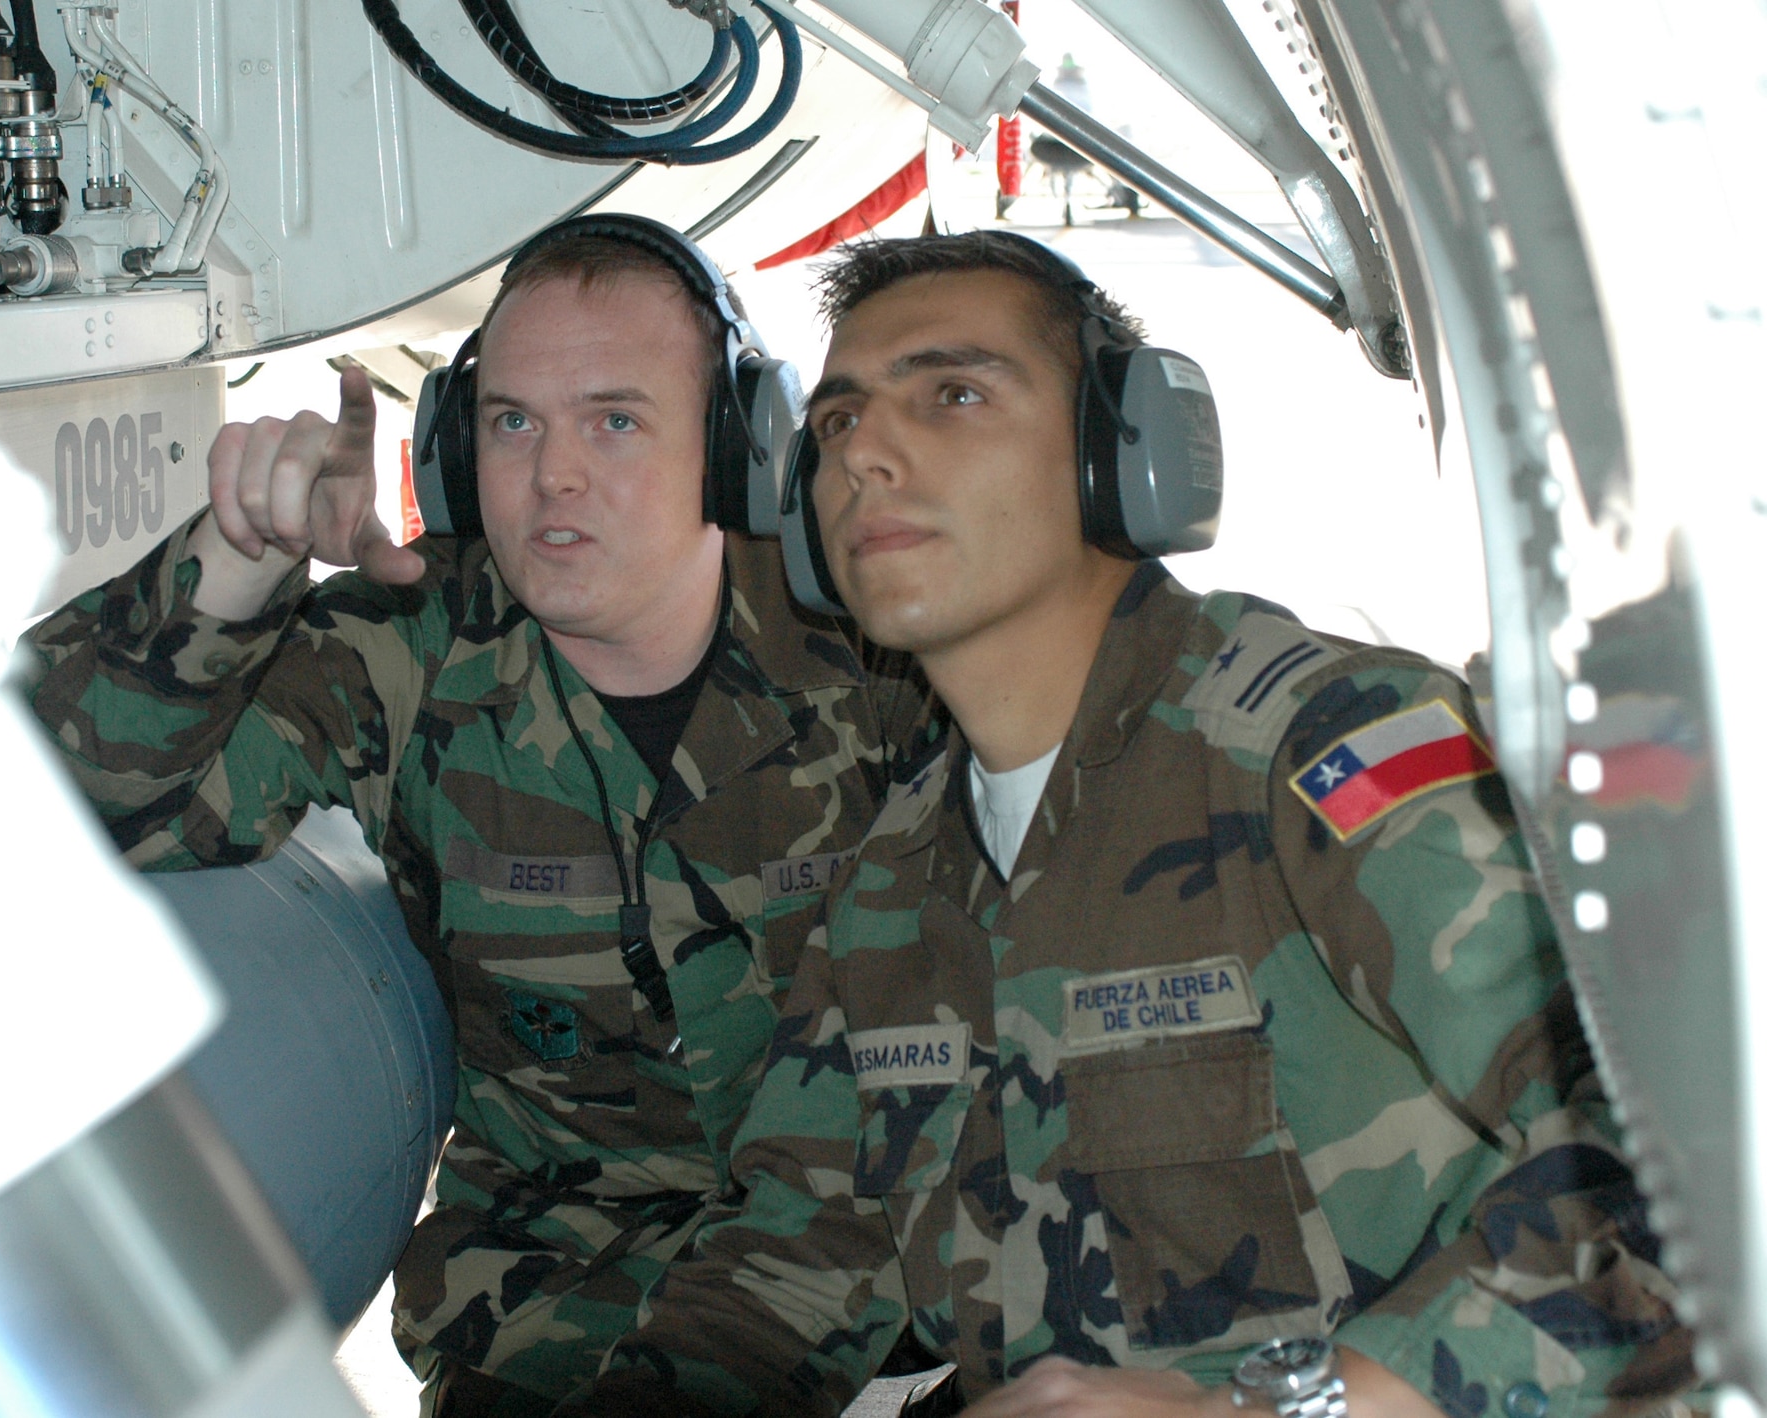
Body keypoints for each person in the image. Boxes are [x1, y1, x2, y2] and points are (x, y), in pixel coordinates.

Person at [560, 232, 1695, 1418]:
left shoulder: (1320, 749)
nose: (865, 458)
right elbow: (792, 1259)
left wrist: (1269, 1411)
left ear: (1118, 455)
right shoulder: (894, 875)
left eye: (951, 394)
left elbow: (1669, 1160)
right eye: (837, 422)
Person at [21, 216, 930, 1417]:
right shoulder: (414, 644)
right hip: (549, 1319)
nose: (552, 475)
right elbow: (45, 803)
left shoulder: (881, 650)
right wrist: (237, 566)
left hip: (872, 1310)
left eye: (613, 418)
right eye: (512, 422)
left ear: (734, 447)